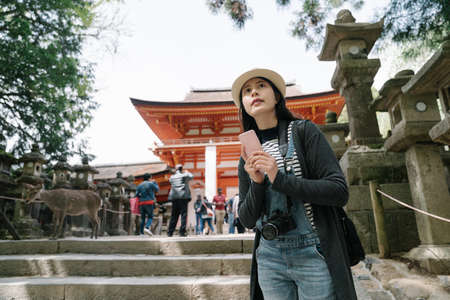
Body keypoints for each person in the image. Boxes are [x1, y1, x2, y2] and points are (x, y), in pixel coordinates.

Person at [232, 68, 356, 300]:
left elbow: (339, 191)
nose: (254, 93)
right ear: (244, 106)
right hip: (269, 256)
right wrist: (257, 182)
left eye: (261, 86)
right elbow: (247, 219)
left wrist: (279, 179)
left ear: (277, 96)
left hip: (312, 251)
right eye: (247, 91)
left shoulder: (303, 132)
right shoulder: (247, 155)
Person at [167, 164, 193, 237]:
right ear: (181, 169)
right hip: (183, 197)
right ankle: (182, 232)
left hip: (174, 198)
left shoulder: (172, 177)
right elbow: (191, 176)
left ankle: (170, 232)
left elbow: (170, 181)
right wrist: (186, 172)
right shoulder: (184, 176)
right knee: (183, 215)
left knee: (174, 216)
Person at [135, 173, 159, 237]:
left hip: (141, 203)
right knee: (150, 216)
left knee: (142, 218)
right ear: (149, 178)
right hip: (149, 202)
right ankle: (147, 227)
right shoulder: (151, 184)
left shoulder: (139, 185)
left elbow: (136, 195)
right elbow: (157, 189)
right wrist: (155, 183)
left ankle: (141, 233)